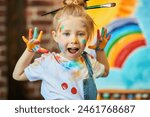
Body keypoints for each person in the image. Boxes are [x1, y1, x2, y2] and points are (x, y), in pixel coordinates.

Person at [13, 0, 110, 100]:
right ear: (55, 36)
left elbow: (105, 72)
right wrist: (29, 51)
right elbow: (17, 75)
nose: (74, 40)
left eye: (80, 34)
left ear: (88, 36)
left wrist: (100, 50)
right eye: (66, 34)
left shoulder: (89, 62)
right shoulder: (47, 62)